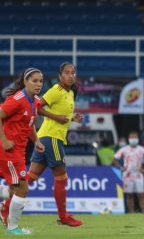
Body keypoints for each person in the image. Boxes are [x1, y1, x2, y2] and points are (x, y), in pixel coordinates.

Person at [26, 62, 84, 227]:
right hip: (52, 138)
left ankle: (6, 206)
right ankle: (63, 216)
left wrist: (73, 118)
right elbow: (36, 107)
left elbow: (62, 115)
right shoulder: (56, 91)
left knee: (30, 177)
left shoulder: (70, 93)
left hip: (45, 137)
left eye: (73, 72)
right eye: (66, 72)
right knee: (62, 178)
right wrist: (56, 117)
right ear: (60, 76)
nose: (70, 75)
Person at [0, 68, 44, 235]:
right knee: (22, 188)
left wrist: (37, 140)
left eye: (40, 81)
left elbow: (30, 122)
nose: (38, 84)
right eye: (34, 80)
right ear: (25, 82)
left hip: (19, 150)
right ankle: (12, 227)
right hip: (9, 150)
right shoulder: (17, 99)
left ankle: (4, 209)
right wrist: (4, 140)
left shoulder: (36, 101)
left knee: (13, 188)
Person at [113, 131, 144, 213]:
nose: (133, 139)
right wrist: (120, 167)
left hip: (138, 175)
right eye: (132, 137)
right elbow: (114, 158)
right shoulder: (124, 149)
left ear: (137, 139)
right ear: (129, 139)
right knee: (129, 195)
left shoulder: (141, 149)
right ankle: (131, 212)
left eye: (135, 137)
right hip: (127, 175)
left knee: (141, 194)